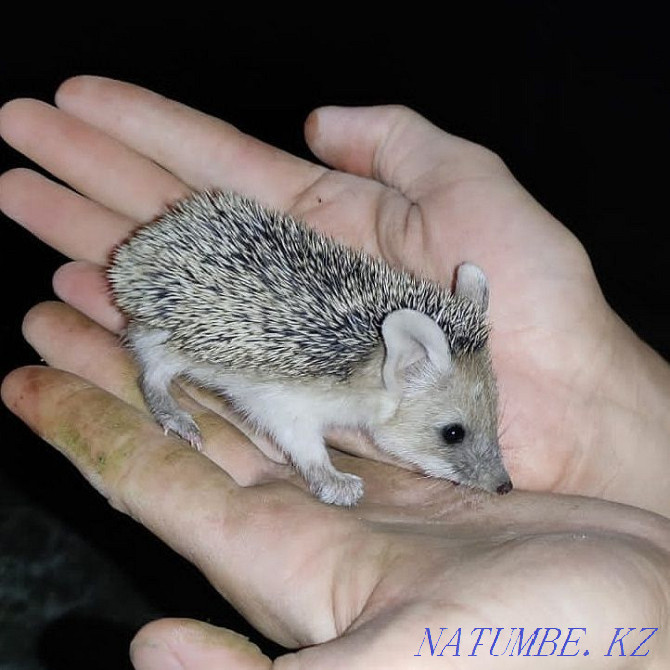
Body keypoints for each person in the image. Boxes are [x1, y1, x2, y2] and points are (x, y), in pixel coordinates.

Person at [1, 76, 669, 669]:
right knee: (160, 352)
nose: (492, 476)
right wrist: (317, 470)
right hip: (179, 311)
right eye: (456, 437)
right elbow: (284, 412)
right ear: (403, 369)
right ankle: (157, 386)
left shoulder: (397, 373)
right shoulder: (327, 382)